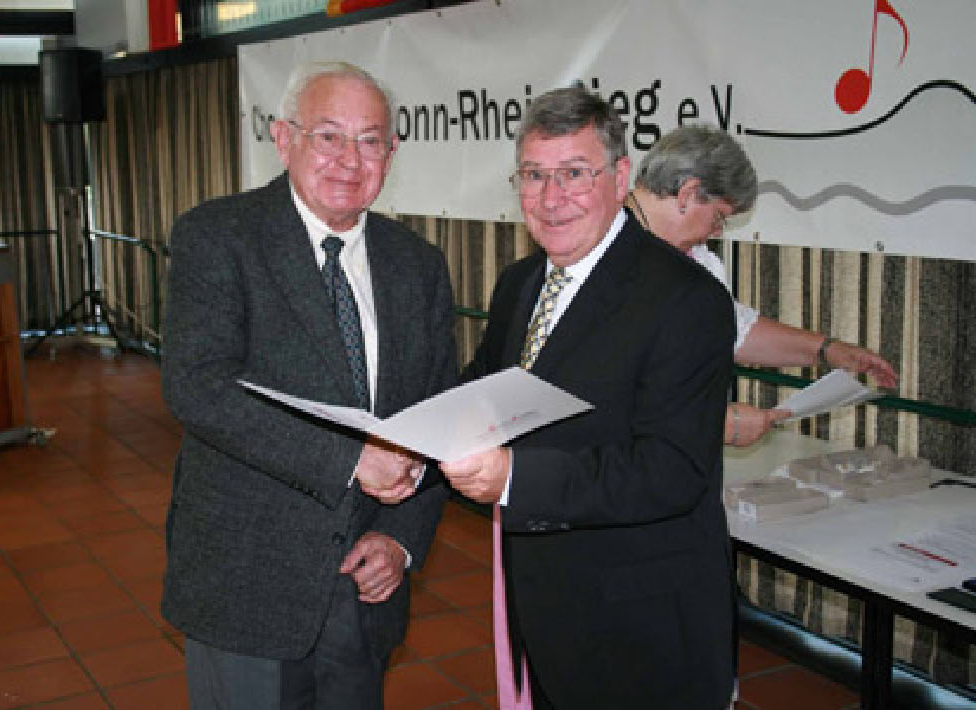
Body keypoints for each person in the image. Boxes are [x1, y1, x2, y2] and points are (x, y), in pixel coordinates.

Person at [161, 62, 456, 710]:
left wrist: (402, 537)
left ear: (391, 152)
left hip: (365, 585)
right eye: (329, 136)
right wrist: (352, 460)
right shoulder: (218, 236)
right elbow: (197, 385)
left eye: (370, 140)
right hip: (246, 582)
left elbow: (437, 416)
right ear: (283, 138)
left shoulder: (418, 265)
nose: (350, 160)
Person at [442, 86, 737, 709]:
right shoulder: (520, 283)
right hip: (545, 614)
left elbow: (672, 470)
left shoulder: (685, 298)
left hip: (643, 632)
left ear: (620, 177)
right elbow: (484, 393)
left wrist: (515, 478)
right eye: (534, 175)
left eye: (575, 173)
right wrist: (410, 445)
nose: (552, 198)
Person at [626, 124, 898, 447]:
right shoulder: (598, 249)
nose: (717, 232)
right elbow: (593, 389)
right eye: (719, 217)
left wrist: (826, 349)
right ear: (688, 194)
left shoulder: (690, 256)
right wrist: (709, 423)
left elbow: (731, 329)